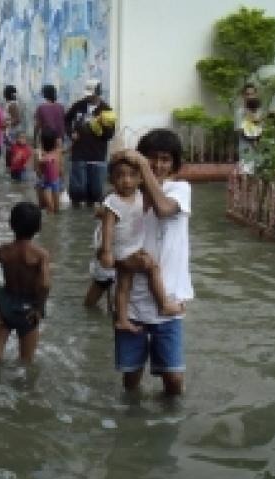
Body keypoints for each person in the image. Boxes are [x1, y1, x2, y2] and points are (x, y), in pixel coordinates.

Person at [112, 129, 193, 396]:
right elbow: (107, 243)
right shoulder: (126, 198)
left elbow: (163, 209)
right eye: (151, 159)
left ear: (175, 163)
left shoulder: (179, 190)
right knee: (131, 378)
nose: (158, 165)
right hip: (132, 302)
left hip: (168, 301)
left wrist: (143, 166)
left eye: (165, 159)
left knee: (173, 379)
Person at [99, 155, 184, 333]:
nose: (126, 181)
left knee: (124, 284)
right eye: (120, 176)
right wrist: (107, 252)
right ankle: (164, 304)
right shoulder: (113, 202)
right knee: (151, 266)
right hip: (123, 251)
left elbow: (160, 205)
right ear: (112, 179)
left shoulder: (139, 195)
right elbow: (107, 229)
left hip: (133, 247)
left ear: (140, 178)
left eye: (131, 175)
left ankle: (122, 320)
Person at [0, 202, 51, 363]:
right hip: (28, 309)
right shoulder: (40, 255)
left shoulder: (4, 250)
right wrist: (38, 308)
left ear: (10, 224)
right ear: (39, 228)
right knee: (26, 361)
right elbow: (45, 284)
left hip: (5, 305)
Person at [65, 79, 116, 207]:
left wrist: (99, 127)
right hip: (79, 153)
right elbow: (67, 119)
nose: (88, 96)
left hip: (97, 155)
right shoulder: (78, 105)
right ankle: (76, 215)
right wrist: (71, 133)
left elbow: (109, 135)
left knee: (96, 192)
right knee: (77, 190)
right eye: (87, 93)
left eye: (91, 93)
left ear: (98, 93)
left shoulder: (106, 110)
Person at [83, 205, 116, 309]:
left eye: (101, 206)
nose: (97, 209)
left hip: (110, 274)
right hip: (102, 273)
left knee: (110, 307)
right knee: (89, 305)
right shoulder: (101, 225)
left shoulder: (112, 227)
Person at [234, 83, 264, 174]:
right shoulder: (240, 112)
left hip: (260, 150)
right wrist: (253, 140)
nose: (250, 96)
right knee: (246, 175)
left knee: (259, 175)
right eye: (247, 94)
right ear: (243, 96)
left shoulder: (260, 111)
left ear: (256, 94)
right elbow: (239, 130)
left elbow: (262, 128)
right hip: (246, 149)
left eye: (252, 94)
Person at [35, 129, 62, 213]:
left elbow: (60, 168)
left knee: (54, 209)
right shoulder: (43, 154)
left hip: (54, 182)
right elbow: (38, 171)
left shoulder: (57, 152)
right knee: (50, 208)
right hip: (45, 183)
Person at [34, 84, 66, 148]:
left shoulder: (41, 108)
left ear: (45, 95)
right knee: (56, 156)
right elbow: (62, 123)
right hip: (59, 138)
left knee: (47, 157)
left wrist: (35, 138)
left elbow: (38, 125)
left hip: (46, 139)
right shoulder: (61, 107)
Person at [3, 85, 23, 168]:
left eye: (4, 92)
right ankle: (10, 168)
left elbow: (17, 119)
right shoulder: (10, 104)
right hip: (10, 131)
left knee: (10, 151)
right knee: (9, 151)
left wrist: (6, 125)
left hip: (11, 131)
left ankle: (11, 168)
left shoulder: (12, 105)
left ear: (6, 94)